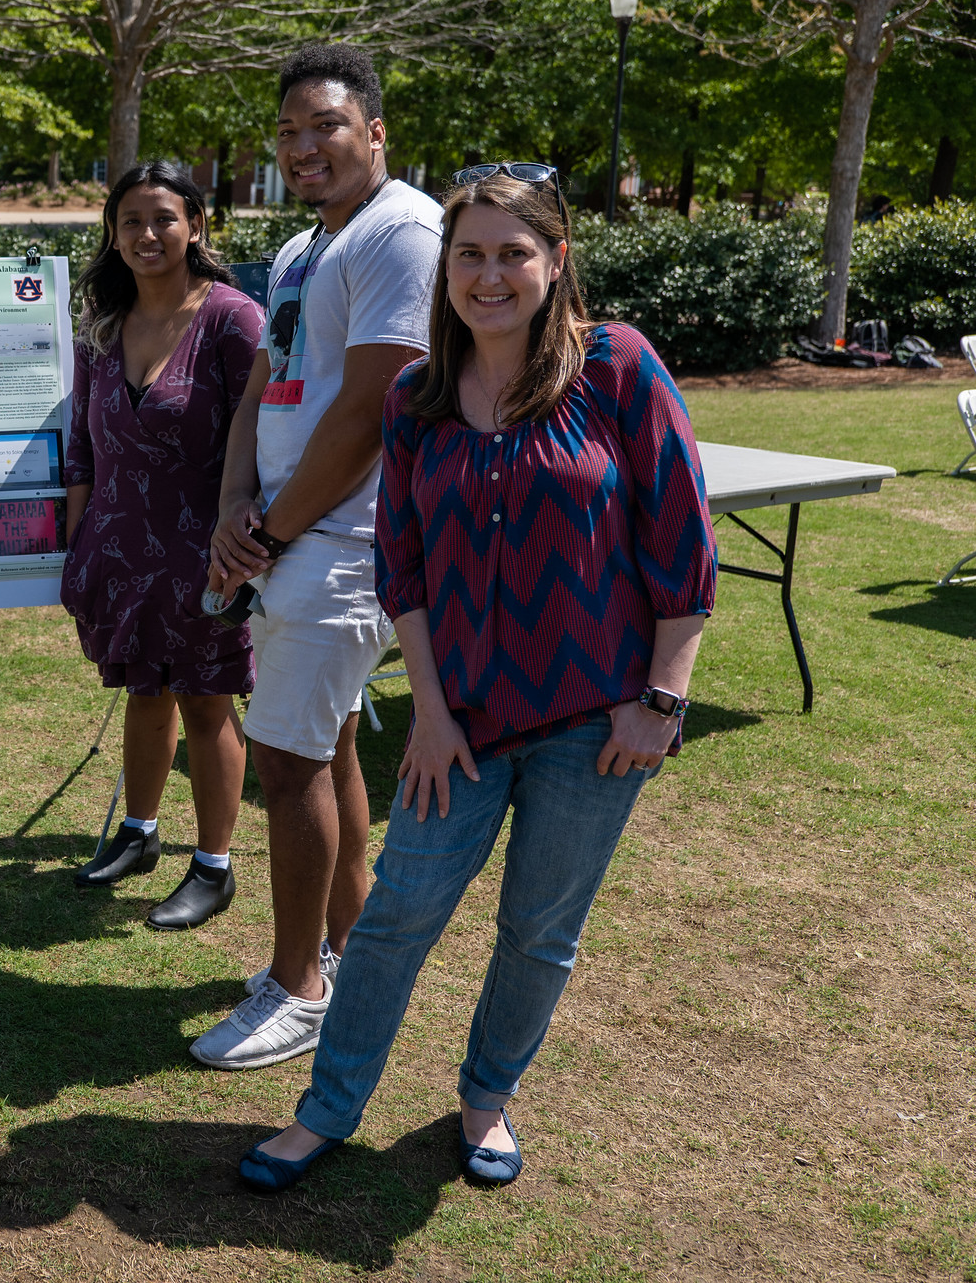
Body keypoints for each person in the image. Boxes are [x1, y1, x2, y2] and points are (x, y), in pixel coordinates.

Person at [237, 165, 716, 1193]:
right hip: (459, 723)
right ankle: (325, 1111)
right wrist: (430, 713)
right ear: (444, 268)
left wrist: (661, 700)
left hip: (596, 721)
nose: (489, 275)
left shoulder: (618, 368)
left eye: (512, 253)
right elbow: (400, 565)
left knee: (539, 930)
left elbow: (682, 543)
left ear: (555, 260)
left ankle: (485, 1099)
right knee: (396, 916)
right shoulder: (415, 400)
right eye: (469, 255)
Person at [190, 44, 444, 1070]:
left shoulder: (404, 233)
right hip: (285, 533)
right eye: (289, 131)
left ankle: (298, 989)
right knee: (326, 746)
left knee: (289, 763)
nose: (304, 147)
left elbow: (376, 407)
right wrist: (230, 511)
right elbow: (266, 385)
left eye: (325, 127)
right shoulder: (304, 246)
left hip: (341, 542)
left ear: (374, 132)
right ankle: (356, 951)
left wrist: (274, 529)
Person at [61, 161, 262, 929]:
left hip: (205, 554)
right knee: (143, 693)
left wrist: (247, 540)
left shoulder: (232, 319)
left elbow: (266, 439)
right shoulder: (101, 327)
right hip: (121, 554)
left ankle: (212, 866)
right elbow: (82, 443)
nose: (147, 234)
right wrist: (81, 546)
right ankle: (138, 833)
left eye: (163, 218)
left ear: (196, 225)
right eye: (130, 221)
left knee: (206, 704)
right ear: (111, 236)